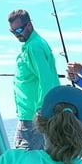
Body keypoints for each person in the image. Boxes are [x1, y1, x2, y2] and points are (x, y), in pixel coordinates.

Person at [8, 9, 60, 150]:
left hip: (32, 116)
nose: (16, 34)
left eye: (19, 29)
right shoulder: (32, 45)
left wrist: (41, 110)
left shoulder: (34, 47)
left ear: (29, 25)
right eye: (12, 32)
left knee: (23, 159)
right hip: (31, 114)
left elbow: (46, 79)